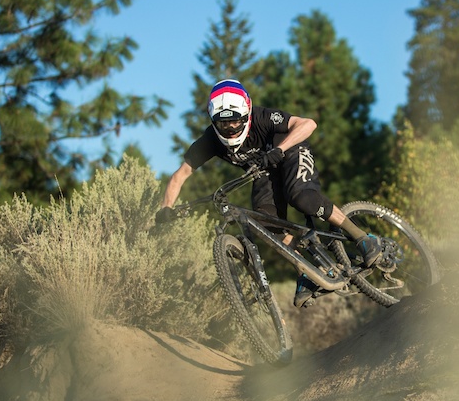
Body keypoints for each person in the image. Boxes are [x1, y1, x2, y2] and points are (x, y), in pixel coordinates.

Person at [156, 78, 381, 308]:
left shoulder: (263, 118)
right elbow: (180, 175)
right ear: (214, 122)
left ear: (247, 114)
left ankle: (362, 238)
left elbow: (308, 124)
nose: (231, 129)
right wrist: (166, 208)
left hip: (291, 151)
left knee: (302, 197)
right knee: (267, 223)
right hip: (263, 172)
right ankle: (307, 272)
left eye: (235, 122)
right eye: (224, 124)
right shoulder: (210, 141)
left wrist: (279, 149)